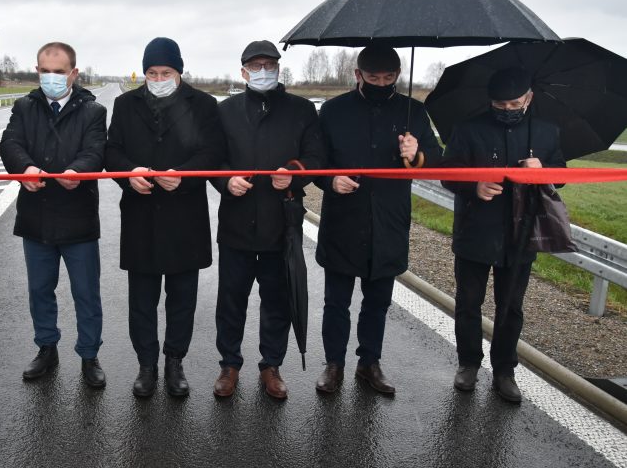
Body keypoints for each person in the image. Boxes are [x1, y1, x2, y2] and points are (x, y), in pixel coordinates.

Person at [315, 43, 442, 396]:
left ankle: (369, 362)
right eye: (373, 76)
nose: (381, 82)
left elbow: (437, 159)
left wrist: (415, 155)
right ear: (358, 74)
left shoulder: (413, 112)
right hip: (343, 217)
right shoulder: (333, 110)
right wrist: (330, 180)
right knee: (336, 300)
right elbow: (315, 160)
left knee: (378, 301)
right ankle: (333, 363)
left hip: (388, 219)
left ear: (398, 75)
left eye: (388, 77)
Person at [105, 37, 224, 398]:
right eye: (152, 73)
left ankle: (175, 361)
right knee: (142, 296)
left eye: (166, 72)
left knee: (181, 296)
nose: (158, 78)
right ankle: (146, 364)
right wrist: (129, 173)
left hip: (184, 215)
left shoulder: (202, 104)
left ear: (179, 72)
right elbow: (112, 150)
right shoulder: (126, 104)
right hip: (140, 213)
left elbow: (213, 150)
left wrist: (184, 175)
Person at [441, 67, 565, 404]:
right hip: (474, 231)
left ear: (529, 98)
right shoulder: (467, 130)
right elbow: (447, 173)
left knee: (511, 307)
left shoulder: (546, 132)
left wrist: (544, 173)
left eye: (514, 103)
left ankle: (504, 370)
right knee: (468, 303)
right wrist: (474, 186)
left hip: (520, 234)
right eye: (500, 104)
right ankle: (468, 363)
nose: (507, 109)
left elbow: (562, 176)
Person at [210, 40, 324, 400]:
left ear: (279, 68)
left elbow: (316, 157)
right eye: (255, 66)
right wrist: (226, 180)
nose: (263, 72)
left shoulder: (302, 110)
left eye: (269, 65)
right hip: (237, 222)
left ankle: (271, 365)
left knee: (277, 299)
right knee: (231, 298)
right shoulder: (224, 111)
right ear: (243, 72)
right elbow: (212, 159)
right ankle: (229, 364)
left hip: (281, 224)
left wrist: (294, 173)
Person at [0, 42, 108, 388]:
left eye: (58, 72)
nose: (51, 78)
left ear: (73, 73)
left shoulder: (93, 112)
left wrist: (78, 170)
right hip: (36, 216)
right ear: (37, 71)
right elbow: (10, 143)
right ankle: (47, 347)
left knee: (86, 292)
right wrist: (25, 167)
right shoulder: (24, 106)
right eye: (45, 71)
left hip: (78, 218)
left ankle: (89, 355)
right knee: (40, 289)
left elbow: (96, 150)